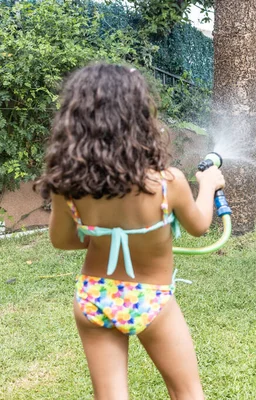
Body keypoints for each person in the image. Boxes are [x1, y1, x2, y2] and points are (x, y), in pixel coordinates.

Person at [35, 63, 224, 400]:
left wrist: (104, 233)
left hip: (95, 295)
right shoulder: (167, 184)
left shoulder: (69, 185)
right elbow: (199, 227)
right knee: (188, 393)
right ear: (139, 118)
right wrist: (208, 185)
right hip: (150, 297)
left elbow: (62, 241)